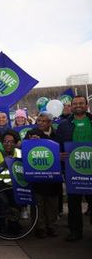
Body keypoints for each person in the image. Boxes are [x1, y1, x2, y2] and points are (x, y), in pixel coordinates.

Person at [56, 95, 92, 242]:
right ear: (71, 106)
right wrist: (58, 154)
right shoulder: (64, 125)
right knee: (73, 203)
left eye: (81, 103)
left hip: (91, 169)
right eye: (75, 103)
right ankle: (75, 232)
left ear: (86, 104)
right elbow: (57, 144)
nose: (78, 105)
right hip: (72, 170)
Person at [24, 112, 61, 238]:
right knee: (38, 202)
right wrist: (31, 143)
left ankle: (52, 226)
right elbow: (24, 149)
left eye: (44, 121)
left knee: (52, 203)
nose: (40, 123)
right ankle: (39, 227)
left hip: (53, 175)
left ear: (50, 122)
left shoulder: (57, 134)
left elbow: (62, 150)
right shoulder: (31, 133)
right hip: (37, 174)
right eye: (39, 120)